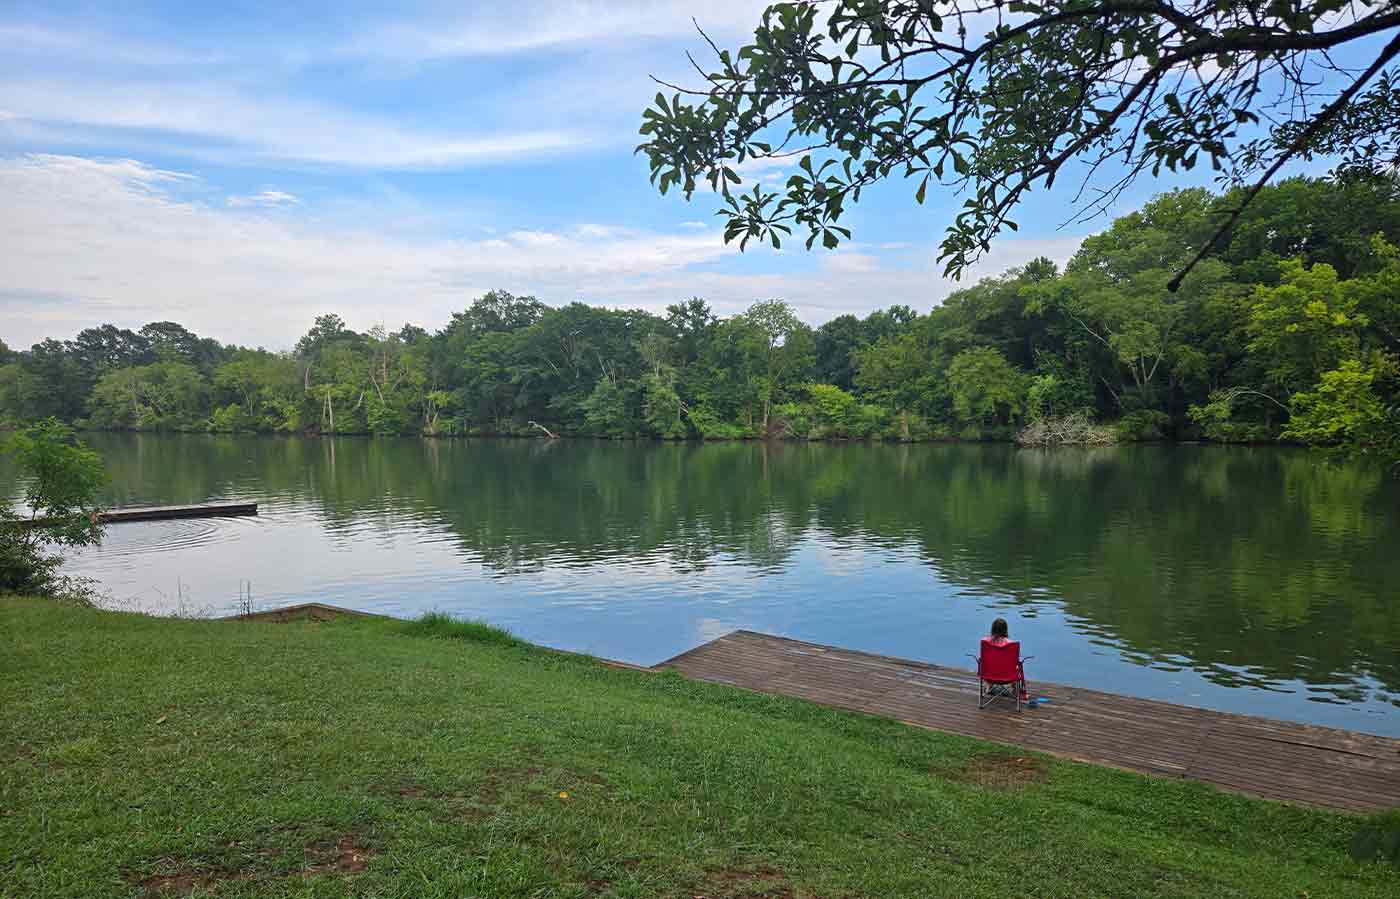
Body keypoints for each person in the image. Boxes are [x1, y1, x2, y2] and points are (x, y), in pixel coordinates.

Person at [984, 617, 1029, 701]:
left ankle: (989, 687)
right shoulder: (1011, 644)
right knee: (1015, 666)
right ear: (1005, 630)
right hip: (1008, 676)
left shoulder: (985, 642)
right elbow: (1015, 661)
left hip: (989, 675)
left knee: (988, 664)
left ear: (992, 629)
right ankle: (1013, 689)